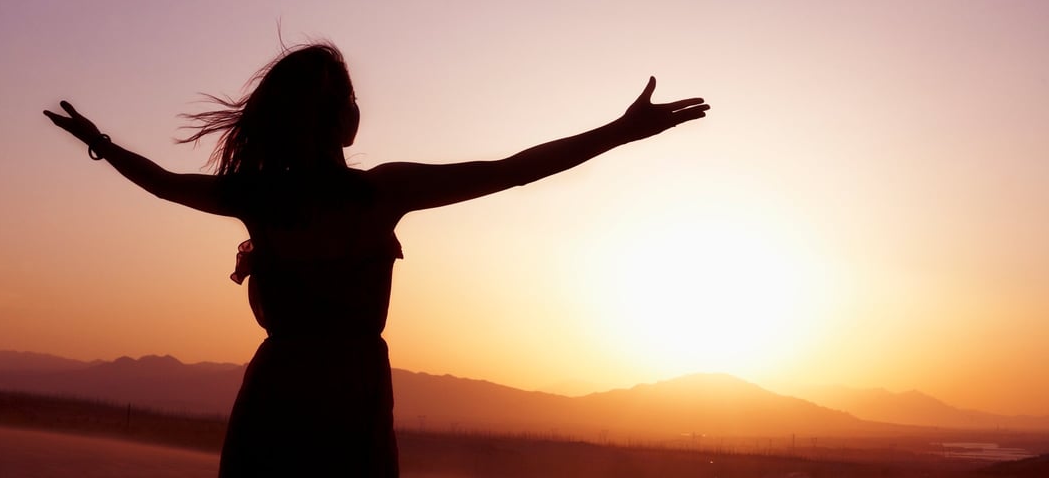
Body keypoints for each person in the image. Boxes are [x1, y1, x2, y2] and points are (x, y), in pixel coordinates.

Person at [44, 42, 709, 476]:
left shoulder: (262, 197)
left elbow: (162, 181)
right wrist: (621, 131)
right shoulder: (381, 191)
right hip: (347, 400)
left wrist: (99, 141)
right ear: (347, 122)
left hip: (278, 398)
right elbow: (513, 171)